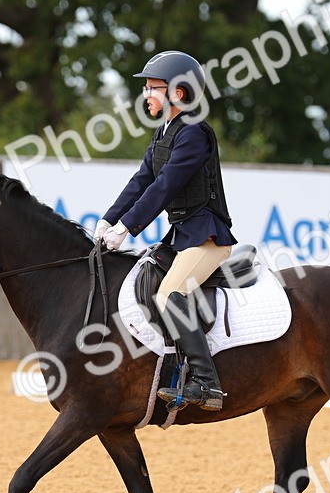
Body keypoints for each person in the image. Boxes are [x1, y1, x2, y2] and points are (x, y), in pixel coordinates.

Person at [95, 50, 237, 411]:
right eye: (146, 88)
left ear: (179, 92)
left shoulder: (194, 135)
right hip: (182, 237)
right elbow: (142, 179)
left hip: (207, 238)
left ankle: (207, 385)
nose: (146, 96)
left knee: (170, 294)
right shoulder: (165, 132)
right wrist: (109, 218)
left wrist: (127, 228)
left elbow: (165, 188)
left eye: (153, 88)